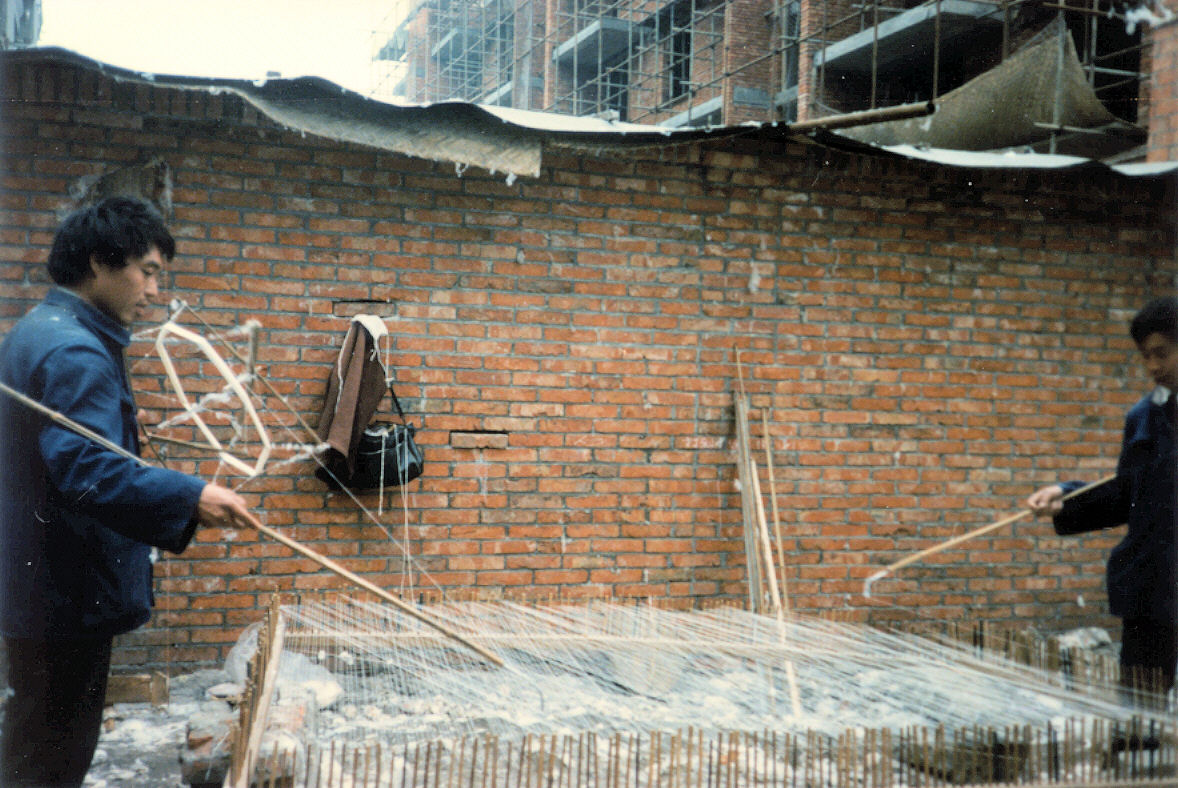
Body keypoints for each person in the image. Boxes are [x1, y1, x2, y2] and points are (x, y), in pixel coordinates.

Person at [0, 196, 255, 787]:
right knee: (54, 750)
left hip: (38, 580)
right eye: (148, 270)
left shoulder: (42, 330)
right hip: (63, 587)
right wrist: (192, 496)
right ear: (99, 263)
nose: (155, 289)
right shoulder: (74, 350)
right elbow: (90, 470)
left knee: (34, 734)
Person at [1027, 295, 1178, 708]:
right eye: (1145, 356)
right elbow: (1128, 494)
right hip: (1155, 586)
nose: (1152, 367)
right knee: (1139, 715)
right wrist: (1065, 495)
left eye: (1162, 353)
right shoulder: (1144, 418)